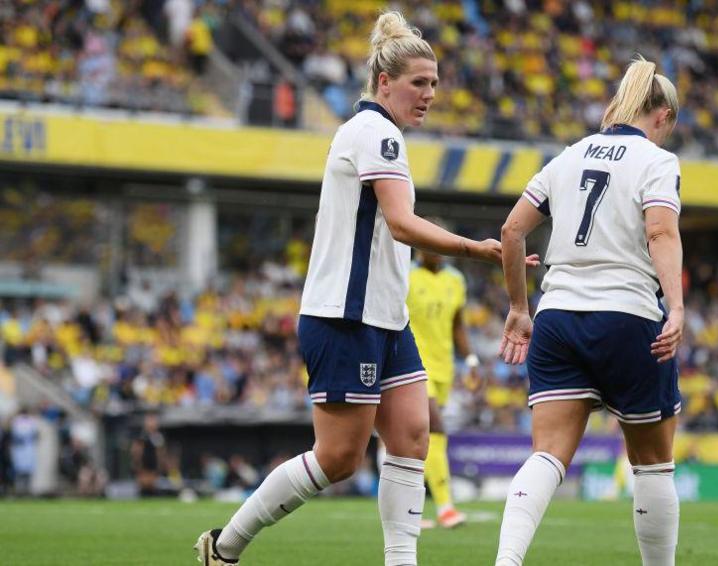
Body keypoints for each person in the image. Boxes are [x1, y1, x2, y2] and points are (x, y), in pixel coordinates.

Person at [194, 11, 536, 566]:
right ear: (384, 83)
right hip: (344, 317)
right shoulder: (376, 134)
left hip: (384, 317)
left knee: (412, 437)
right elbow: (402, 223)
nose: (429, 95)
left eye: (434, 85)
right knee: (338, 458)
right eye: (418, 83)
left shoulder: (380, 135)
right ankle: (224, 546)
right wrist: (476, 249)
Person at [495, 55, 686, 566]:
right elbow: (661, 231)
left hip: (558, 316)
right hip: (628, 315)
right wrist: (678, 307)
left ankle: (506, 561)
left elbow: (512, 231)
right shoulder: (657, 161)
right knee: (652, 465)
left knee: (547, 454)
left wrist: (519, 306)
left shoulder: (569, 155)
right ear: (663, 116)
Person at [406, 243, 478, 528]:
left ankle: (408, 508)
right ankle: (446, 506)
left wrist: (470, 360)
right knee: (434, 427)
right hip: (412, 363)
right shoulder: (406, 275)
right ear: (418, 248)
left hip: (443, 368)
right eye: (429, 244)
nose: (435, 250)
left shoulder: (455, 280)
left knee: (421, 440)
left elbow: (457, 324)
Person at [131, 413, 165, 497]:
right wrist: (137, 462)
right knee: (143, 484)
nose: (152, 424)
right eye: (150, 421)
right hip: (143, 464)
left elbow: (160, 451)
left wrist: (160, 463)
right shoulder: (142, 435)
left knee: (152, 484)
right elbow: (136, 449)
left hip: (153, 464)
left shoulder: (158, 436)